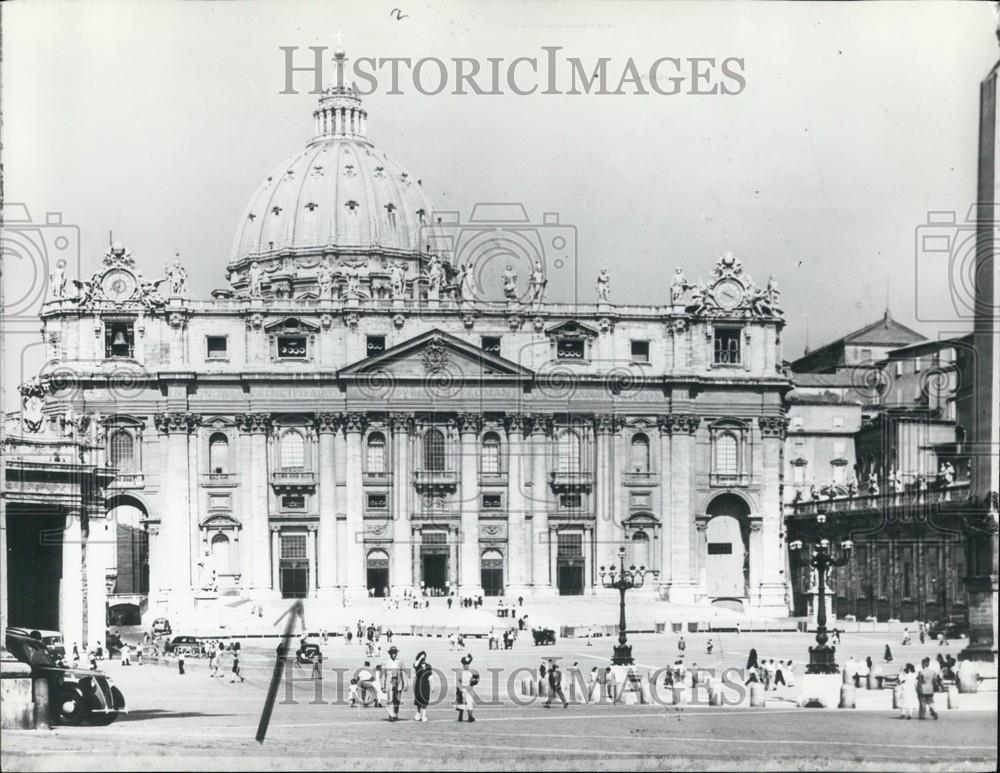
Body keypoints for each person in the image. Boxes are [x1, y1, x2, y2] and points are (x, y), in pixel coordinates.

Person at [382, 646, 406, 721]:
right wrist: (383, 685)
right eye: (392, 653)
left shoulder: (400, 661)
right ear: (390, 653)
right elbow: (382, 674)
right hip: (389, 682)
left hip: (398, 682)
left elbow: (404, 673)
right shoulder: (385, 662)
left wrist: (405, 684)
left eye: (395, 653)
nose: (394, 654)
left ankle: (395, 714)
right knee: (390, 699)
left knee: (397, 700)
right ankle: (391, 715)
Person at [456, 654, 479, 722]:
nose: (466, 666)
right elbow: (458, 681)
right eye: (465, 665)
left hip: (469, 689)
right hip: (462, 689)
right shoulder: (460, 672)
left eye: (467, 664)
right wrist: (460, 689)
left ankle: (470, 716)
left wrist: (475, 682)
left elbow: (475, 680)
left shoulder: (472, 672)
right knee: (461, 703)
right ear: (463, 665)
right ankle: (460, 716)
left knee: (469, 702)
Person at [413, 650, 432, 722]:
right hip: (418, 683)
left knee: (425, 699)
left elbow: (430, 676)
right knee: (418, 698)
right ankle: (418, 714)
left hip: (425, 684)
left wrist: (432, 685)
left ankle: (424, 715)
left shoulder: (428, 666)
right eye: (422, 659)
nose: (423, 660)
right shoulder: (417, 665)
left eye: (424, 658)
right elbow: (415, 665)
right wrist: (420, 658)